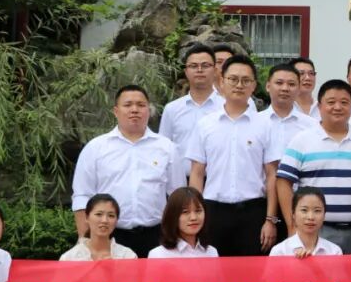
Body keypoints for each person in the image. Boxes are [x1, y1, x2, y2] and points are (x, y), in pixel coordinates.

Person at [71, 85, 186, 257]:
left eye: (141, 105)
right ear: (116, 111)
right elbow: (82, 196)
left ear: (149, 110)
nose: (134, 110)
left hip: (157, 236)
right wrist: (84, 240)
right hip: (110, 235)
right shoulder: (95, 148)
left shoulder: (167, 148)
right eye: (128, 105)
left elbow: (178, 197)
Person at [187, 55, 280, 256]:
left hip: (253, 212)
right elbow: (196, 173)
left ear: (254, 85)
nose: (239, 85)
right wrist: (197, 214)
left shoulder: (265, 125)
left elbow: (272, 174)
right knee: (213, 271)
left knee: (252, 271)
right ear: (221, 82)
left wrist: (270, 220)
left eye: (246, 80)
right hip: (213, 211)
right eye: (233, 79)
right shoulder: (205, 125)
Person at [277, 80, 351, 254]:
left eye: (344, 102)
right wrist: (292, 224)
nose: (337, 107)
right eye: (331, 102)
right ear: (319, 106)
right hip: (314, 231)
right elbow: (283, 182)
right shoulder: (302, 140)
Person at [159, 43, 224, 173]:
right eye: (193, 66)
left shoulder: (226, 107)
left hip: (216, 180)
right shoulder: (172, 109)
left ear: (215, 70)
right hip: (180, 180)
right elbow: (163, 149)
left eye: (205, 65)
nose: (199, 70)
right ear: (186, 72)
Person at [260, 63, 319, 161]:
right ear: (268, 86)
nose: (285, 88)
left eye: (291, 84)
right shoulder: (254, 123)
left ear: (298, 89)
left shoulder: (312, 125)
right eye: (279, 83)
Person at [59, 194, 137, 260]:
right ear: (87, 217)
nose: (105, 220)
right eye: (99, 214)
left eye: (111, 215)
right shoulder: (69, 258)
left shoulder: (128, 256)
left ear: (116, 220)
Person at [269, 187, 343, 257]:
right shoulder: (279, 251)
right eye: (304, 210)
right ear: (293, 214)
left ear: (324, 215)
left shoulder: (334, 251)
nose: (310, 217)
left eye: (317, 211)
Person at [148, 187, 219, 258]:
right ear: (172, 215)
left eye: (198, 211)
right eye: (185, 212)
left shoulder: (211, 252)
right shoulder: (158, 255)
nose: (193, 218)